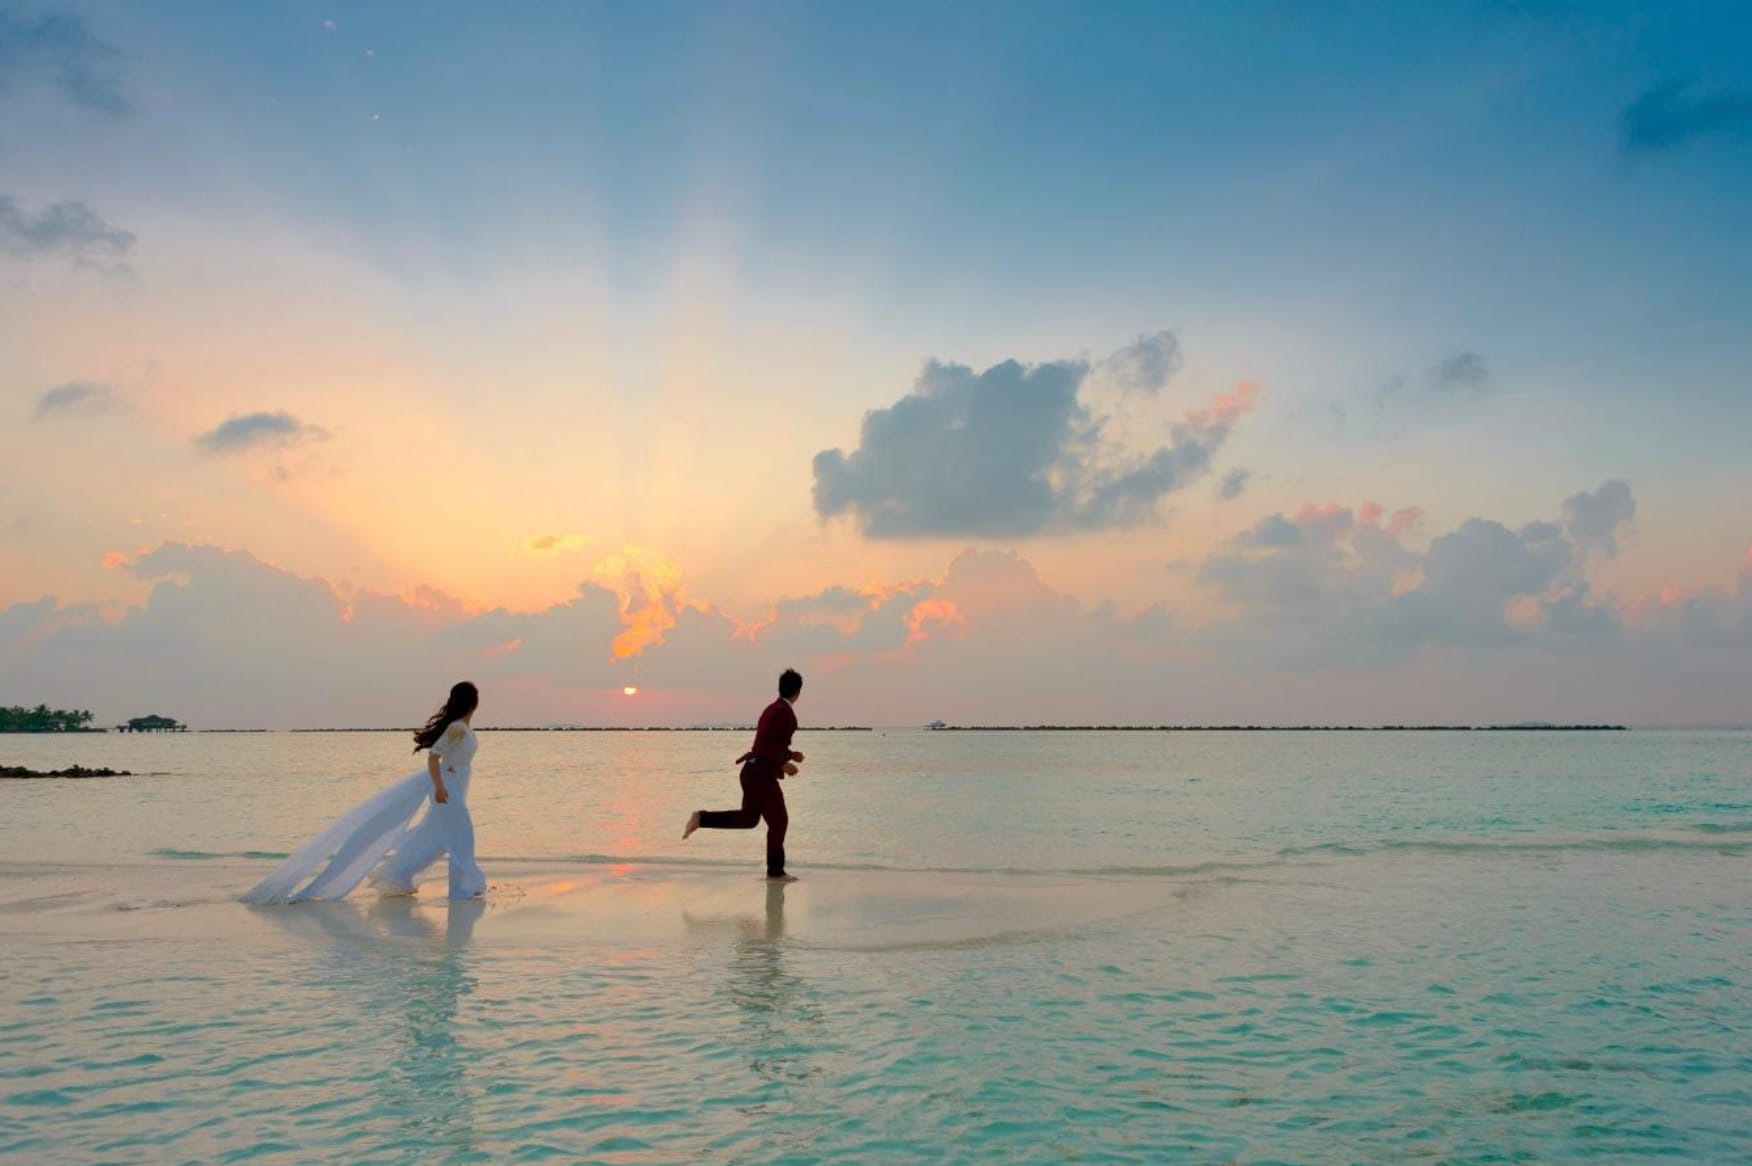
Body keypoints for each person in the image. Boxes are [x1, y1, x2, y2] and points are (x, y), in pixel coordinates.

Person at [243, 682, 488, 904]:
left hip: (454, 786)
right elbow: (434, 757)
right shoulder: (456, 728)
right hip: (447, 788)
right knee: (462, 835)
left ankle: (396, 876)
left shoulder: (463, 727)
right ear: (472, 702)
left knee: (434, 838)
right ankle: (463, 888)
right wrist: (440, 787)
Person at [684, 669, 805, 880]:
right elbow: (767, 745)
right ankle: (775, 872)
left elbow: (766, 743)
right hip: (759, 774)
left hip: (751, 771)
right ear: (798, 693)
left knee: (749, 819)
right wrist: (785, 763)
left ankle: (701, 818)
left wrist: (791, 755)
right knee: (779, 822)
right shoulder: (785, 713)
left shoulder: (772, 709)